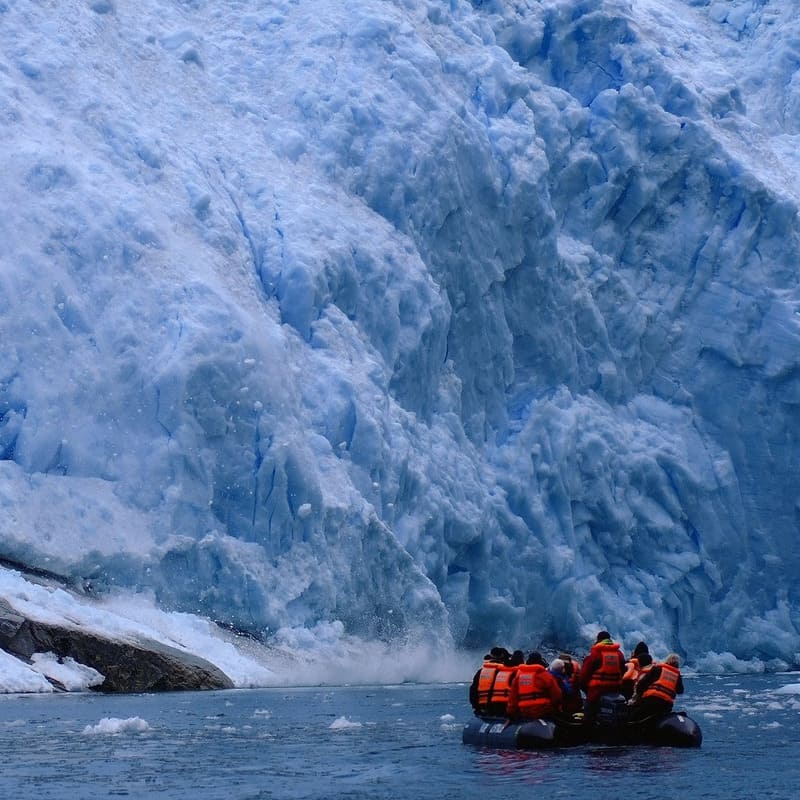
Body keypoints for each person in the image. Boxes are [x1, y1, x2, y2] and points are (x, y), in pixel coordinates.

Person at [579, 630, 626, 724]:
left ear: (598, 640)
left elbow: (583, 676)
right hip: (615, 689)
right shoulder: (619, 654)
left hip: (597, 690)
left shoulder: (596, 654)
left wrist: (584, 688)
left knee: (589, 712)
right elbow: (623, 671)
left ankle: (586, 727)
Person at [507, 652, 563, 720]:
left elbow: (513, 697)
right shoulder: (544, 675)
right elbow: (557, 695)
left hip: (524, 712)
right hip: (542, 711)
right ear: (540, 662)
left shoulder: (518, 676)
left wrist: (511, 713)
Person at [629, 653, 684, 721]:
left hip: (652, 700)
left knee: (634, 717)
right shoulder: (677, 675)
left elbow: (642, 683)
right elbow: (680, 690)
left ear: (667, 660)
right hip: (666, 705)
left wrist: (639, 697)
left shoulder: (658, 668)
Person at [469, 647, 510, 716]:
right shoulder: (504, 672)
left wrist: (476, 708)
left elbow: (473, 690)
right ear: (502, 657)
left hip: (483, 708)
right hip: (500, 709)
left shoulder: (481, 671)